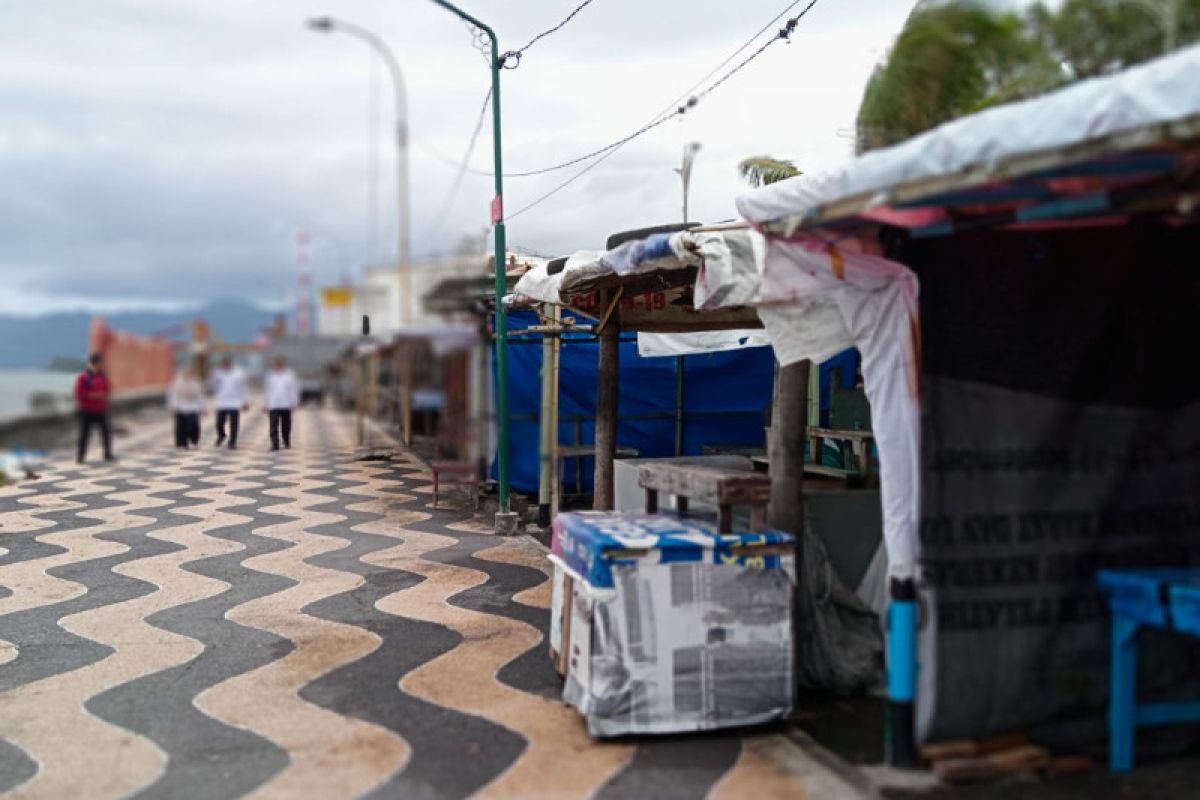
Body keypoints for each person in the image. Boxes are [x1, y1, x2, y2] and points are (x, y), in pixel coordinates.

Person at [74, 352, 114, 463]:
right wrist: (93, 395)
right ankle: (80, 456)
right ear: (95, 363)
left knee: (106, 432)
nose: (103, 365)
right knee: (85, 434)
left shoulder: (103, 376)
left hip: (101, 410)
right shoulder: (84, 377)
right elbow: (79, 393)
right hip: (87, 411)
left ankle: (107, 454)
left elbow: (107, 390)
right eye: (101, 363)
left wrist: (104, 397)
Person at [211, 356, 248, 449]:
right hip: (222, 402)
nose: (225, 366)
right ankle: (221, 435)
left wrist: (245, 401)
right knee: (219, 423)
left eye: (227, 364)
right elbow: (213, 386)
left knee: (234, 423)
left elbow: (243, 388)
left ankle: (232, 442)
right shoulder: (217, 373)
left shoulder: (238, 373)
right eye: (224, 364)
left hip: (234, 402)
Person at [263, 355, 300, 451]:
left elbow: (294, 389)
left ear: (283, 364)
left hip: (286, 403)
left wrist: (294, 401)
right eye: (276, 364)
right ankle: (275, 444)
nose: (278, 366)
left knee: (286, 425)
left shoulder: (289, 375)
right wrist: (266, 403)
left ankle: (286, 440)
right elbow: (267, 390)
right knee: (273, 425)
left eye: (280, 364)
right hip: (273, 404)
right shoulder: (270, 375)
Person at [168, 365, 204, 449]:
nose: (188, 375)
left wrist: (202, 406)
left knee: (194, 426)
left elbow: (200, 395)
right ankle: (182, 443)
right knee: (181, 427)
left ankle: (194, 440)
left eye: (190, 373)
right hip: (181, 407)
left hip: (193, 408)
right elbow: (173, 395)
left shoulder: (196, 383)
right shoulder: (177, 382)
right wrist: (173, 406)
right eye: (187, 373)